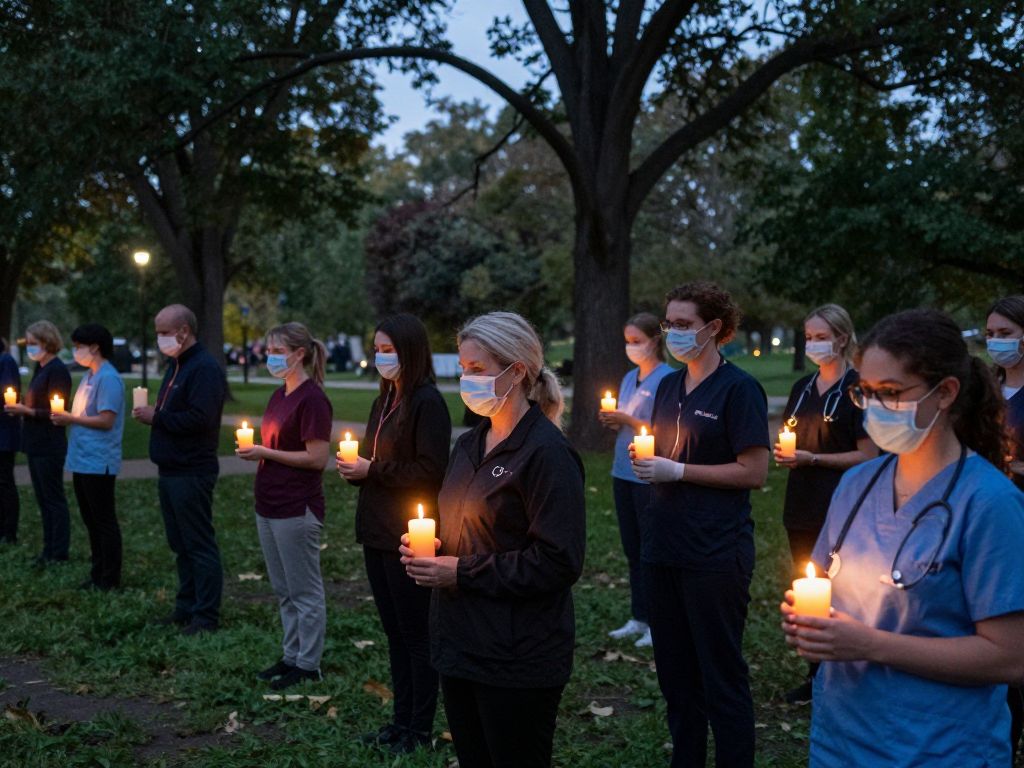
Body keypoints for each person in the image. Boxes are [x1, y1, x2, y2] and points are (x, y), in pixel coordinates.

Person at [781, 308, 1024, 767]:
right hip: (840, 741)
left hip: (935, 748)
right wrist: (808, 622)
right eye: (865, 393)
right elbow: (826, 589)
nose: (873, 408)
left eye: (890, 393)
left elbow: (1011, 659)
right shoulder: (858, 484)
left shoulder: (989, 503)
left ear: (945, 392)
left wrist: (869, 644)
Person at [401, 311, 586, 768]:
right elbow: (468, 529)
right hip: (459, 642)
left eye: (477, 370)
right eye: (464, 369)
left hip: (517, 655)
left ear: (517, 370)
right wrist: (432, 549)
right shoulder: (469, 445)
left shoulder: (547, 453)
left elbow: (559, 560)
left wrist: (460, 570)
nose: (467, 379)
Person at [630, 281, 769, 768]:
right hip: (663, 545)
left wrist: (680, 470)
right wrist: (650, 458)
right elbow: (668, 450)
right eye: (669, 324)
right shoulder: (669, 385)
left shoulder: (740, 389)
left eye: (684, 325)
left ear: (714, 328)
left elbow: (754, 471)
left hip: (714, 552)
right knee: (675, 677)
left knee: (720, 675)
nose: (673, 333)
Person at [337, 313, 451, 755]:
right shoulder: (386, 399)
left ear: (410, 351)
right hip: (376, 529)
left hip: (409, 533)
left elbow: (431, 469)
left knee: (416, 634)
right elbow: (371, 458)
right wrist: (358, 470)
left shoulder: (427, 402)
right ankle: (400, 721)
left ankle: (419, 728)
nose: (381, 357)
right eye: (377, 349)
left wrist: (374, 470)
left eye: (388, 349)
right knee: (394, 634)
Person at [775, 304, 877, 704]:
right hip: (800, 503)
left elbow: (869, 455)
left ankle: (846, 675)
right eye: (809, 336)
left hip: (842, 505)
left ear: (841, 337)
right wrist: (788, 453)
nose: (814, 344)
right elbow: (790, 433)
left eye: (821, 337)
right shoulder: (803, 388)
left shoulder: (857, 389)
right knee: (810, 590)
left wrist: (813, 459)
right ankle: (816, 676)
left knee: (844, 593)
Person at [237, 323, 333, 690]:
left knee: (304, 589)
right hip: (270, 504)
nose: (271, 357)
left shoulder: (313, 399)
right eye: (269, 350)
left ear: (299, 353)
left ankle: (309, 664)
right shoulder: (281, 394)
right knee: (283, 588)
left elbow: (316, 458)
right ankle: (291, 656)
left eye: (277, 350)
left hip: (297, 507)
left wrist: (264, 452)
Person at [133, 305, 226, 636]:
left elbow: (201, 419)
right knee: (180, 543)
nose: (160, 339)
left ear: (183, 331)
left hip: (192, 470)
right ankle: (185, 607)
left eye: (163, 332)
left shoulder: (204, 369)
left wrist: (156, 417)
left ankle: (206, 616)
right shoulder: (176, 366)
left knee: (198, 543)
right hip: (170, 469)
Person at [598, 312, 672, 648]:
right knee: (632, 548)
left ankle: (659, 621)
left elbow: (669, 431)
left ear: (654, 341)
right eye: (627, 341)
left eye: (636, 341)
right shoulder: (630, 378)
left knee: (652, 548)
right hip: (622, 471)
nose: (631, 347)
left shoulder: (668, 379)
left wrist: (627, 418)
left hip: (650, 475)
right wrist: (614, 421)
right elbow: (627, 423)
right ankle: (638, 616)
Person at [51, 325, 125, 590]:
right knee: (91, 520)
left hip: (99, 459)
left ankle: (109, 578)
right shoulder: (89, 377)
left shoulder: (108, 378)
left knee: (103, 520)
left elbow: (106, 420)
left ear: (94, 347)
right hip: (83, 458)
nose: (76, 351)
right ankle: (97, 573)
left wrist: (70, 418)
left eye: (79, 345)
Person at [984, 295, 1024, 760]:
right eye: (991, 334)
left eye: (1006, 334)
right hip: (991, 521)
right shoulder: (988, 387)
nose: (996, 342)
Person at [4, 321, 72, 565]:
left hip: (49, 444)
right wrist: (23, 406)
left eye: (33, 342)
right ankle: (48, 550)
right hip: (34, 443)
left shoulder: (57, 370)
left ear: (47, 341)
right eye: (28, 343)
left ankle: (59, 552)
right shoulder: (40, 368)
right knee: (43, 498)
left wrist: (28, 411)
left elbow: (58, 412)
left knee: (53, 498)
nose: (29, 347)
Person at [0, 337, 22, 544]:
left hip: (4, 433)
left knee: (5, 481)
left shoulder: (5, 361)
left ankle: (9, 531)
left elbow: (9, 393)